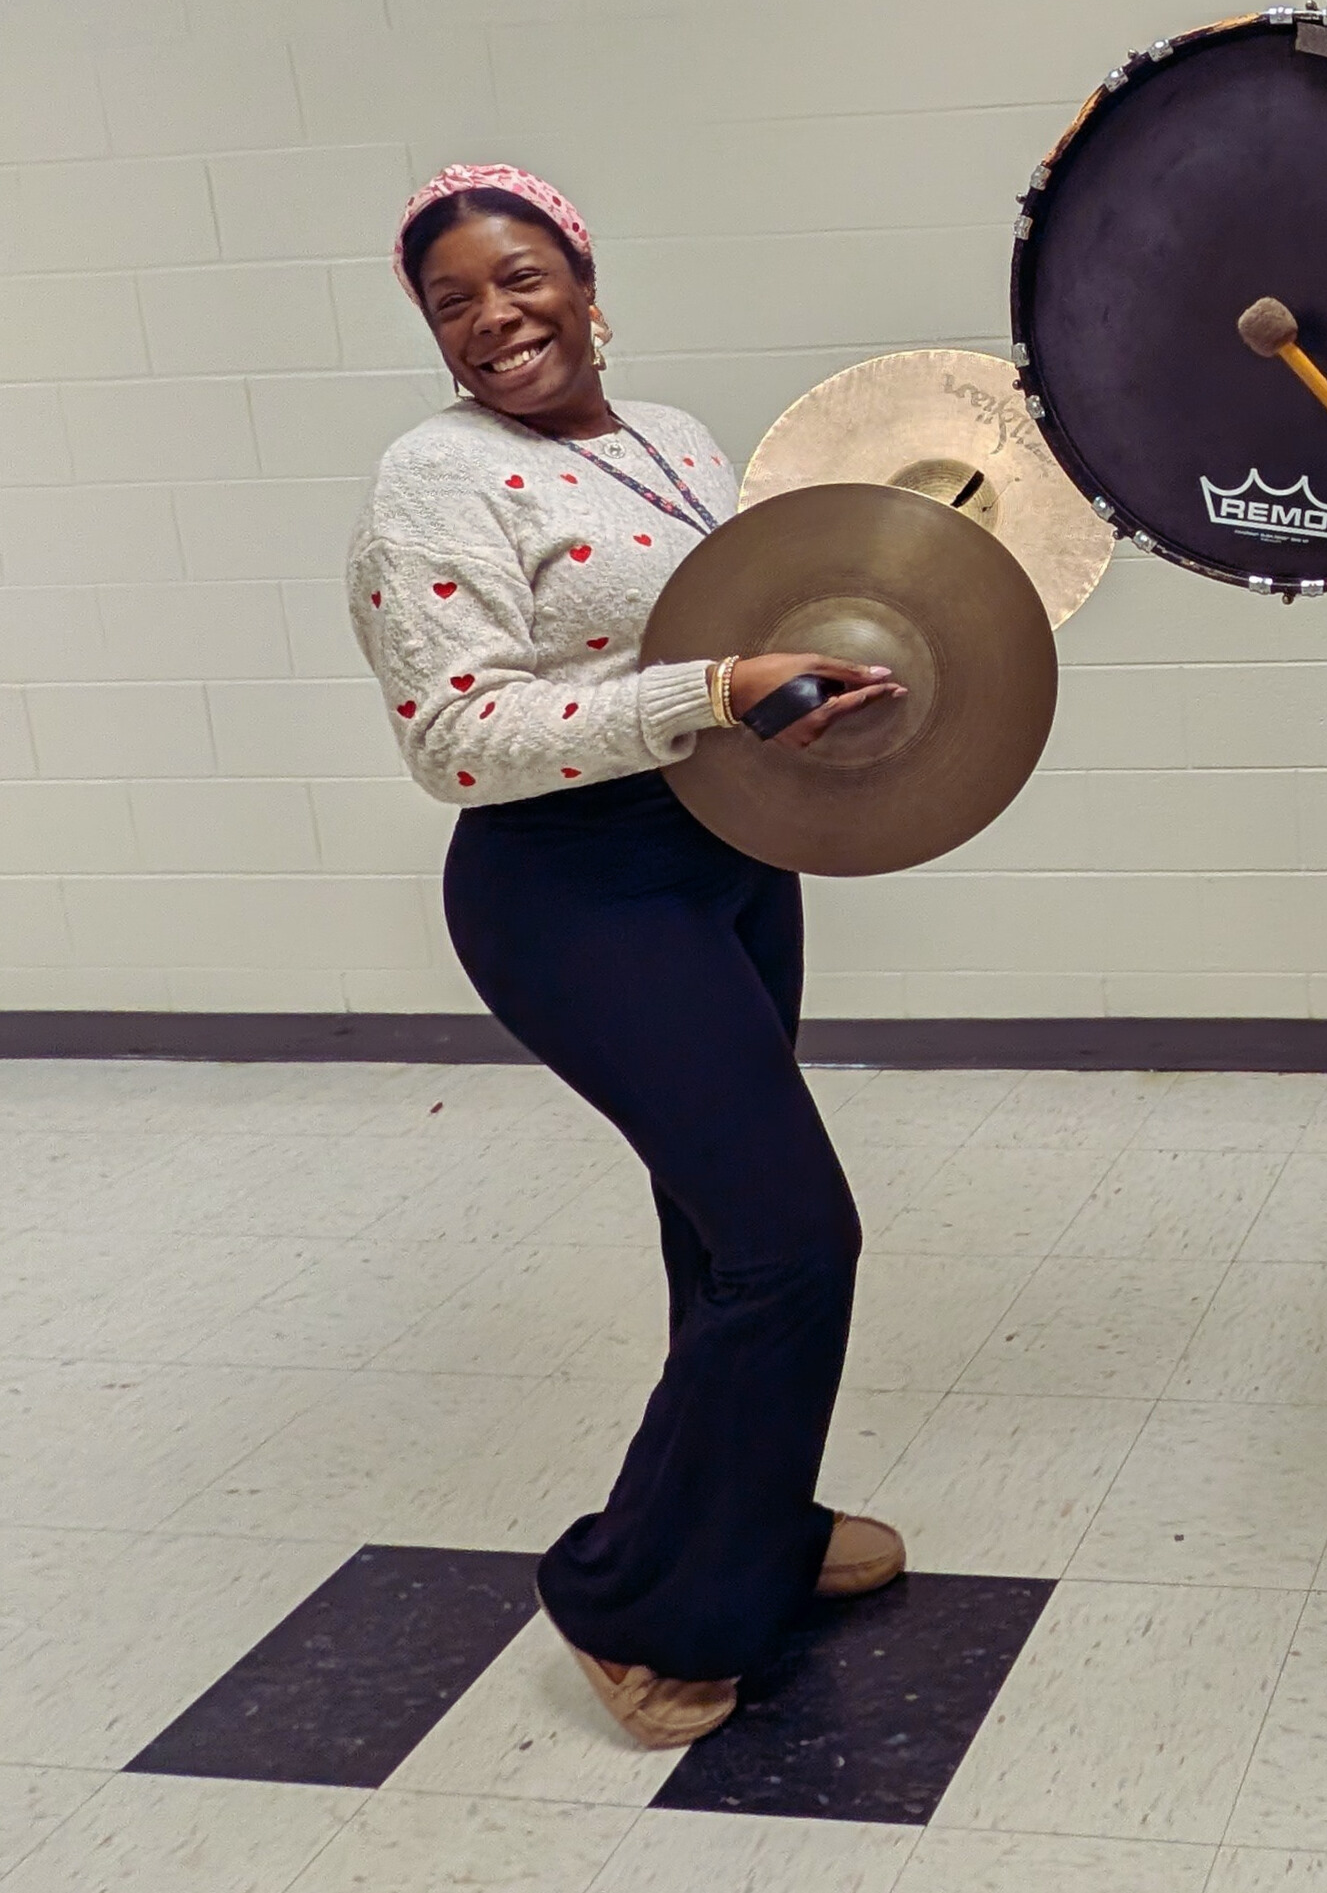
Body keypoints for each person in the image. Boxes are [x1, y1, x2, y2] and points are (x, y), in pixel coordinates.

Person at [348, 165, 913, 1748]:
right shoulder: (433, 478)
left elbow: (747, 625)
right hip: (570, 889)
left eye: (518, 278)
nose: (492, 318)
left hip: (724, 856)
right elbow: (458, 735)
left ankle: (748, 1535)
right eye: (453, 301)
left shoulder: (672, 440)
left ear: (586, 278)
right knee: (794, 1238)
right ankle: (635, 1599)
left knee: (716, 1238)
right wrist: (716, 691)